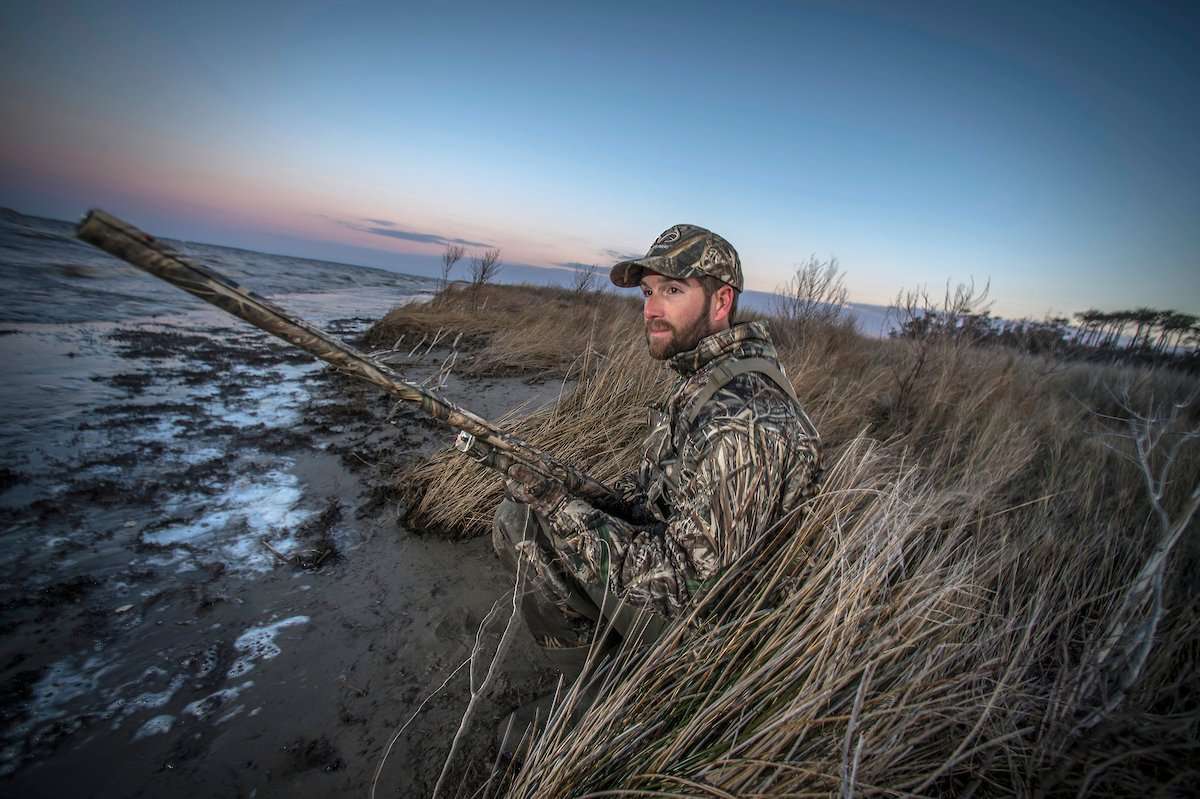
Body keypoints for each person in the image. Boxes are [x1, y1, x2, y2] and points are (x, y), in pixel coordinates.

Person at [493, 223, 822, 682]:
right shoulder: (711, 379)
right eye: (647, 293)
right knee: (529, 508)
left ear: (721, 301)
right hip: (695, 597)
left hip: (717, 646)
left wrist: (557, 507)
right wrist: (578, 491)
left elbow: (691, 586)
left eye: (672, 289)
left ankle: (606, 697)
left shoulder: (741, 418)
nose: (652, 309)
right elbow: (660, 501)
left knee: (521, 522)